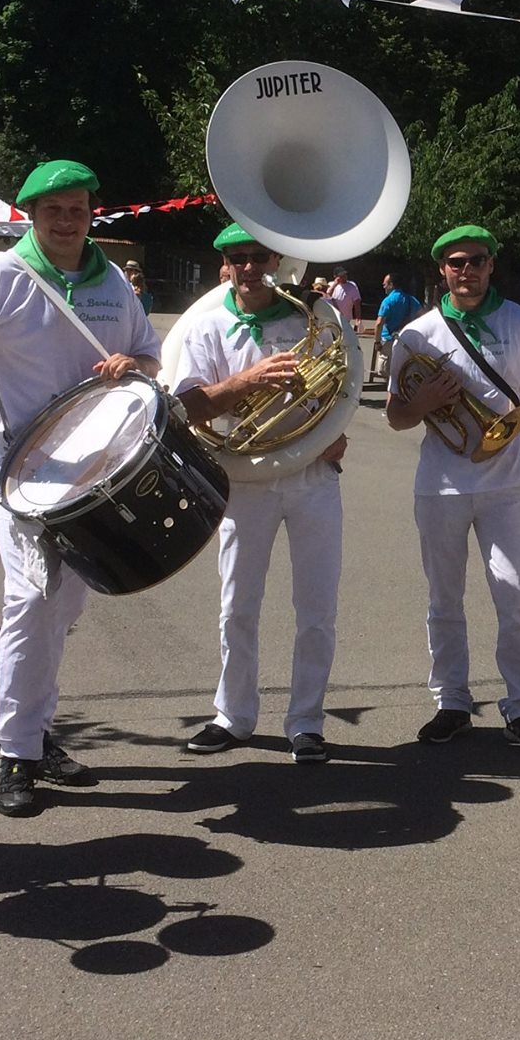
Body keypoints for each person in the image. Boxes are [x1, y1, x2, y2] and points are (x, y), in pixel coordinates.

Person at [0, 158, 161, 818]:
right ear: (32, 216)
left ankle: (36, 733)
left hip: (92, 472)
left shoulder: (114, 286)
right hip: (15, 470)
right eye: (54, 211)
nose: (68, 220)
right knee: (31, 596)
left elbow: (149, 356)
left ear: (90, 212)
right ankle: (17, 754)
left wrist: (134, 363)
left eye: (78, 208)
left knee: (66, 606)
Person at [387, 225, 520, 752]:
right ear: (441, 270)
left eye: (476, 261)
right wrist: (423, 405)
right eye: (455, 262)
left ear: (491, 265)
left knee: (514, 592)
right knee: (444, 598)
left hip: (505, 484)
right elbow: (397, 416)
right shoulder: (417, 335)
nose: (465, 270)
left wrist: (503, 439)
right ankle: (451, 701)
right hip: (439, 485)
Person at [174, 225, 349, 763]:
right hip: (243, 479)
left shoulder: (312, 316)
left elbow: (341, 382)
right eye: (237, 258)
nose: (248, 267)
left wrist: (330, 429)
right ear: (224, 263)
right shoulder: (206, 325)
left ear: (276, 259)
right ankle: (234, 715)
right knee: (237, 606)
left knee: (316, 608)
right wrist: (249, 382)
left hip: (313, 477)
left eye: (258, 257)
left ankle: (306, 723)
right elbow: (187, 406)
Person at [370, 271, 421, 385]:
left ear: (391, 284)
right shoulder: (411, 299)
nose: (384, 288)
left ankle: (391, 389)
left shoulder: (388, 301)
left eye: (385, 285)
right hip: (406, 340)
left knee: (385, 369)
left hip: (388, 339)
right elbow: (422, 315)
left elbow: (379, 323)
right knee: (403, 367)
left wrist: (377, 342)